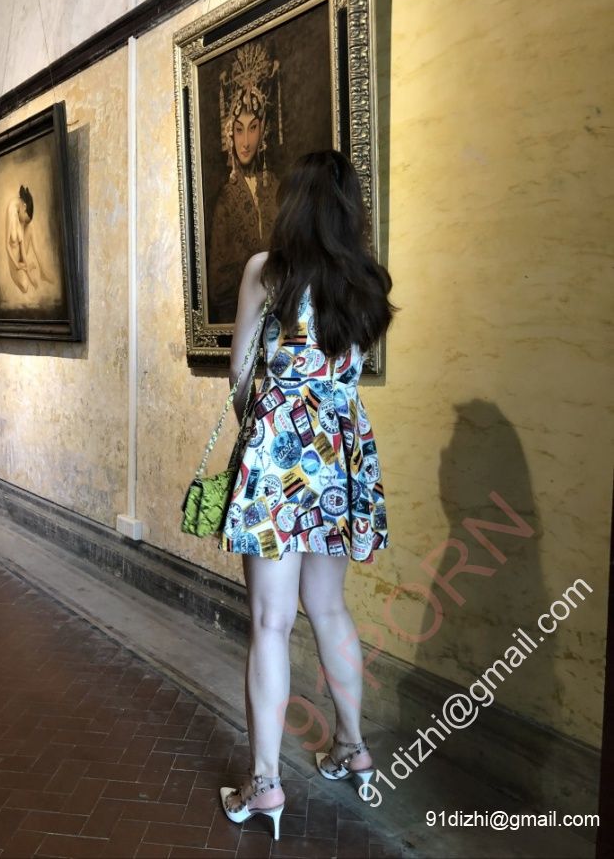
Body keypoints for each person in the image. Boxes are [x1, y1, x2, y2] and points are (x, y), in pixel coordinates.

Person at [218, 150, 397, 840]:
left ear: (292, 203)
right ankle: (352, 747)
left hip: (279, 454)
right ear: (350, 210)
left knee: (271, 621)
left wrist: (267, 433)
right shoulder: (365, 282)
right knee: (328, 607)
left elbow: (240, 377)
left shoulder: (268, 272)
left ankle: (265, 784)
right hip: (341, 456)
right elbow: (349, 371)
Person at [206, 42, 281, 324]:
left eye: (252, 129)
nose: (245, 142)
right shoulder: (226, 198)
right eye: (239, 130)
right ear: (230, 134)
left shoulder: (276, 188)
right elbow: (218, 284)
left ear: (264, 131)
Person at [5, 185, 54, 293]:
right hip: (15, 265)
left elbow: (22, 250)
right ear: (24, 206)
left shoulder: (19, 213)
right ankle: (27, 268)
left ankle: (43, 271)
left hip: (21, 261)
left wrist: (30, 276)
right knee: (25, 287)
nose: (25, 222)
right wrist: (20, 266)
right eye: (25, 219)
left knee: (31, 226)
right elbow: (7, 246)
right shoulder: (12, 214)